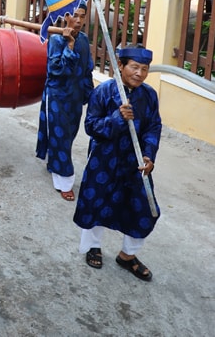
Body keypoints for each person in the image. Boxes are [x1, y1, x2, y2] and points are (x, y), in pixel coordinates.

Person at [73, 44, 161, 281]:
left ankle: (127, 255)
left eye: (144, 69)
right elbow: (91, 126)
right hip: (104, 160)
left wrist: (149, 155)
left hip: (135, 163)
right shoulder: (103, 92)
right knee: (96, 203)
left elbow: (153, 127)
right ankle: (93, 246)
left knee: (145, 209)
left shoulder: (149, 95)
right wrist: (116, 118)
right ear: (120, 66)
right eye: (134, 67)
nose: (139, 73)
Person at [35, 3, 94, 201]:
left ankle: (55, 164)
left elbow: (87, 70)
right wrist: (69, 45)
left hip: (75, 98)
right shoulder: (56, 41)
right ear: (65, 17)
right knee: (60, 135)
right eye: (74, 16)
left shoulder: (84, 40)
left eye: (82, 16)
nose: (78, 20)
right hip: (57, 97)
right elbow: (57, 70)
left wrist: (88, 94)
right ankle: (65, 180)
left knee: (68, 137)